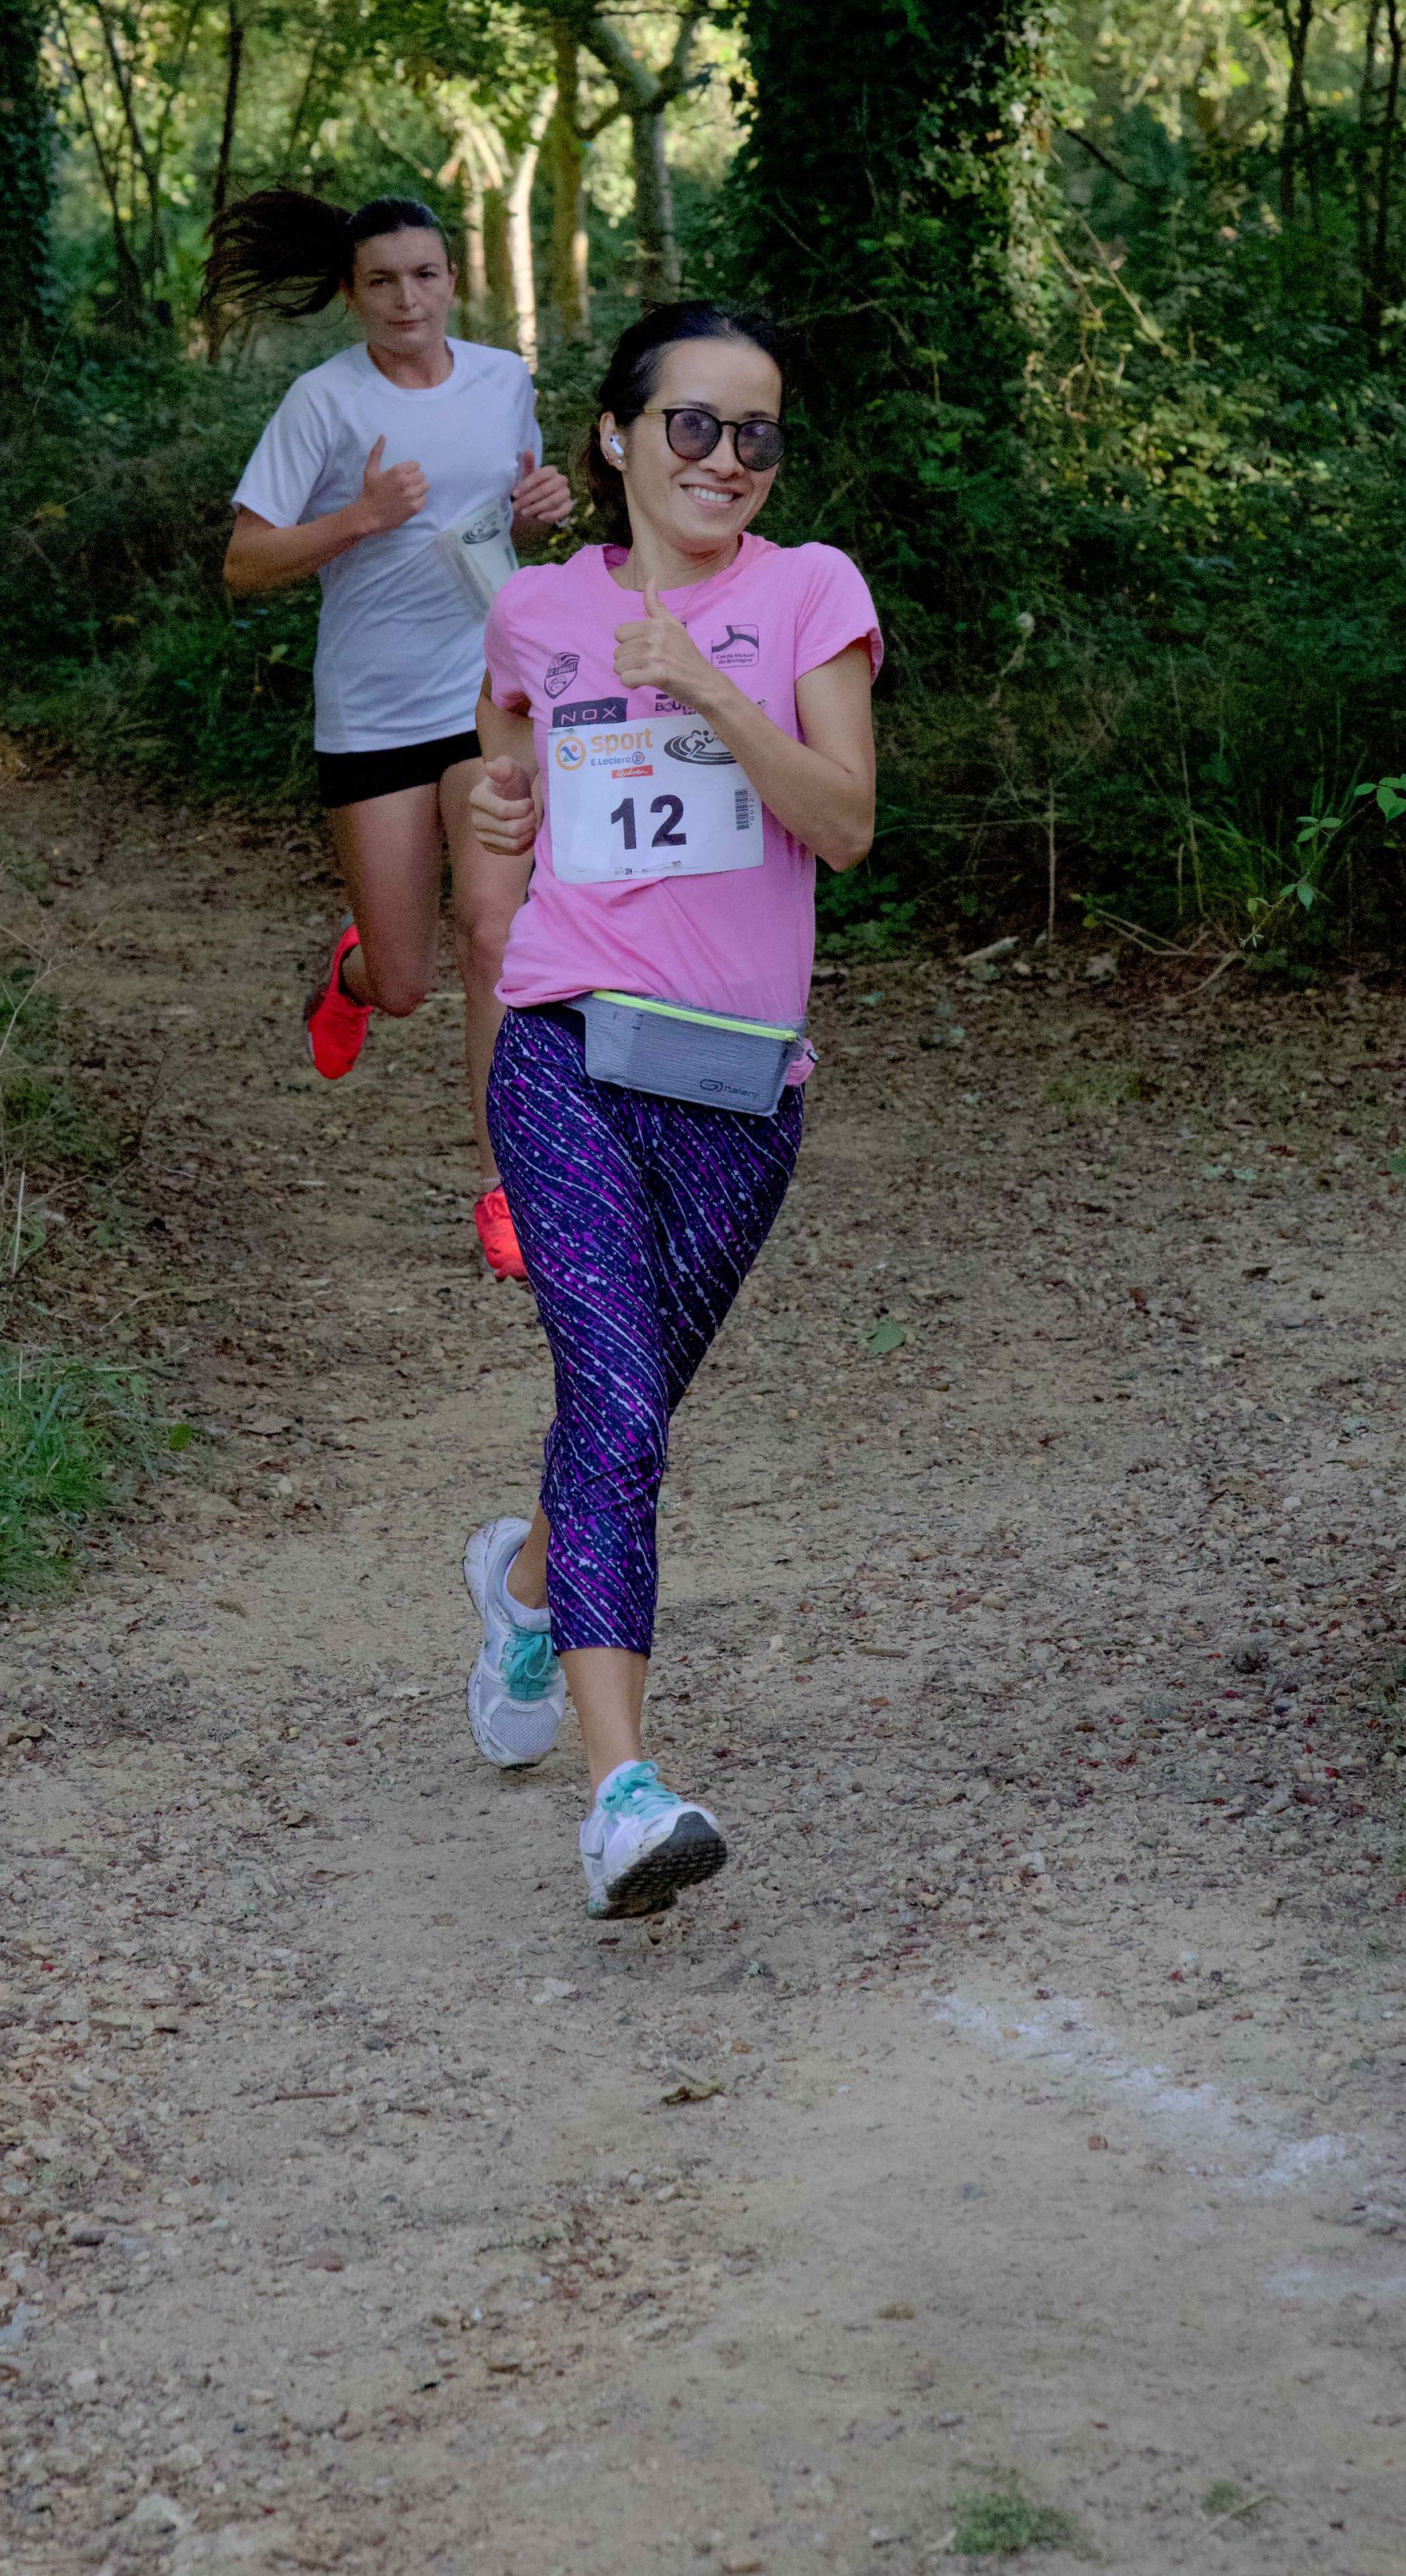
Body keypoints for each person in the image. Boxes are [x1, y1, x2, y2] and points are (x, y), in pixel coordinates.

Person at [458, 298, 881, 1918]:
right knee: (621, 1409)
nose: (725, 457)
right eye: (692, 424)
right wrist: (496, 807)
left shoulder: (810, 591)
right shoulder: (539, 613)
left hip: (735, 1090)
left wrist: (709, 688)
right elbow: (502, 785)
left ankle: (526, 1585)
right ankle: (622, 1797)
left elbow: (844, 824)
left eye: (754, 431)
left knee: (623, 1418)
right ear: (617, 438)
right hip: (566, 1051)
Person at [214, 187, 574, 1279]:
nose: (406, 299)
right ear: (350, 293)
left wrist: (536, 512)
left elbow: (497, 529)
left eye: (423, 275)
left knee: (495, 937)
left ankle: (509, 1189)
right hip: (372, 709)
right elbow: (243, 563)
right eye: (381, 281)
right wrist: (358, 519)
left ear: (453, 279)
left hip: (488, 697)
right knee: (409, 979)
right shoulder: (323, 403)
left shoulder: (503, 381)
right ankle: (357, 971)